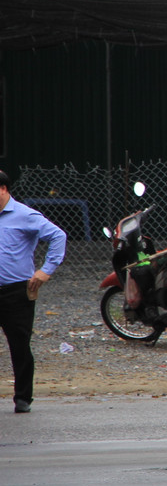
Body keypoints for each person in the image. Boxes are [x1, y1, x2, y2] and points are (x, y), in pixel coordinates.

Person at [0, 170, 67, 414]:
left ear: (4, 189)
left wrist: (46, 270)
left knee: (19, 345)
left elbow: (58, 236)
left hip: (16, 292)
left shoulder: (24, 215)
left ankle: (22, 397)